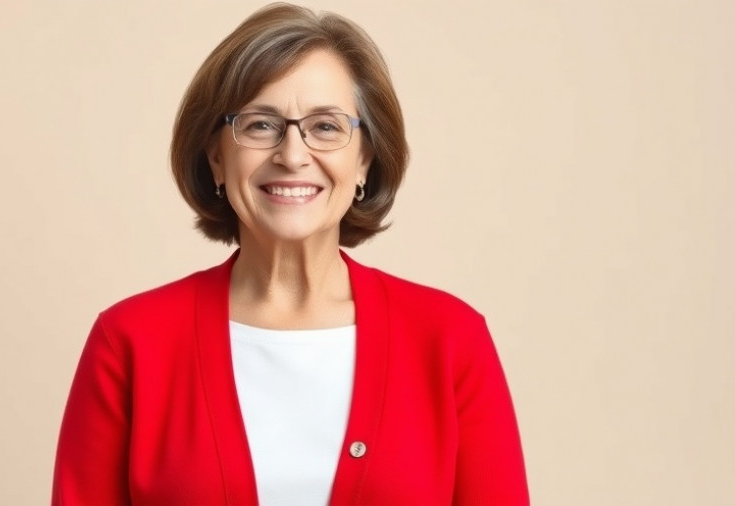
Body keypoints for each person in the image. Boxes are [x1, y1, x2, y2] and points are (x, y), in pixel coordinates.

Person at [52, 3, 529, 505]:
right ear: (217, 155)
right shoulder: (129, 342)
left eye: (326, 126)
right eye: (260, 125)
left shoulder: (450, 340)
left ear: (364, 158)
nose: (293, 154)